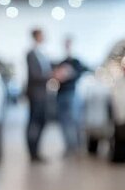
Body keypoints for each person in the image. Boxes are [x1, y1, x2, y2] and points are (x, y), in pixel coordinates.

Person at [54, 37, 88, 156]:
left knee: (75, 121)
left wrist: (70, 73)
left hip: (71, 93)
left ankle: (78, 147)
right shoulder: (61, 62)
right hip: (60, 94)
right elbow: (55, 76)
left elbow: (83, 72)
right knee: (64, 122)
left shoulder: (76, 62)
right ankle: (69, 147)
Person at [26, 29, 52, 162]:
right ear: (36, 36)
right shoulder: (31, 54)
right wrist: (52, 75)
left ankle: (36, 151)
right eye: (42, 35)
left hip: (42, 94)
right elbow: (35, 75)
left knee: (41, 122)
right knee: (34, 123)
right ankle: (32, 152)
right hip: (35, 94)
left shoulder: (42, 53)